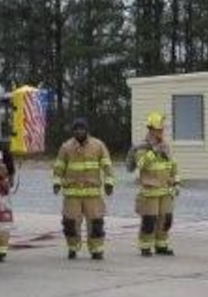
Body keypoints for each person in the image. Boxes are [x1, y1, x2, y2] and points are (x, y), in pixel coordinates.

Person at [52, 118, 114, 259]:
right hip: (72, 194)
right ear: (73, 131)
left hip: (92, 194)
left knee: (96, 223)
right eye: (76, 129)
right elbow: (59, 167)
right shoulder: (66, 147)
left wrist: (109, 183)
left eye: (82, 129)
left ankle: (96, 249)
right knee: (70, 223)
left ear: (87, 130)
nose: (79, 131)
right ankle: (73, 247)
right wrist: (56, 183)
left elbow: (107, 165)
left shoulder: (98, 145)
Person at [127, 111, 180, 256]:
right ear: (150, 129)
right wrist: (154, 151)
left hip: (166, 190)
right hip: (150, 191)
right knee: (149, 220)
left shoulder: (165, 146)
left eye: (162, 130)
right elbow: (141, 165)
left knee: (166, 219)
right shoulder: (142, 148)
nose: (161, 132)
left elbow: (172, 165)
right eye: (158, 129)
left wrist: (176, 182)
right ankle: (145, 246)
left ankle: (161, 245)